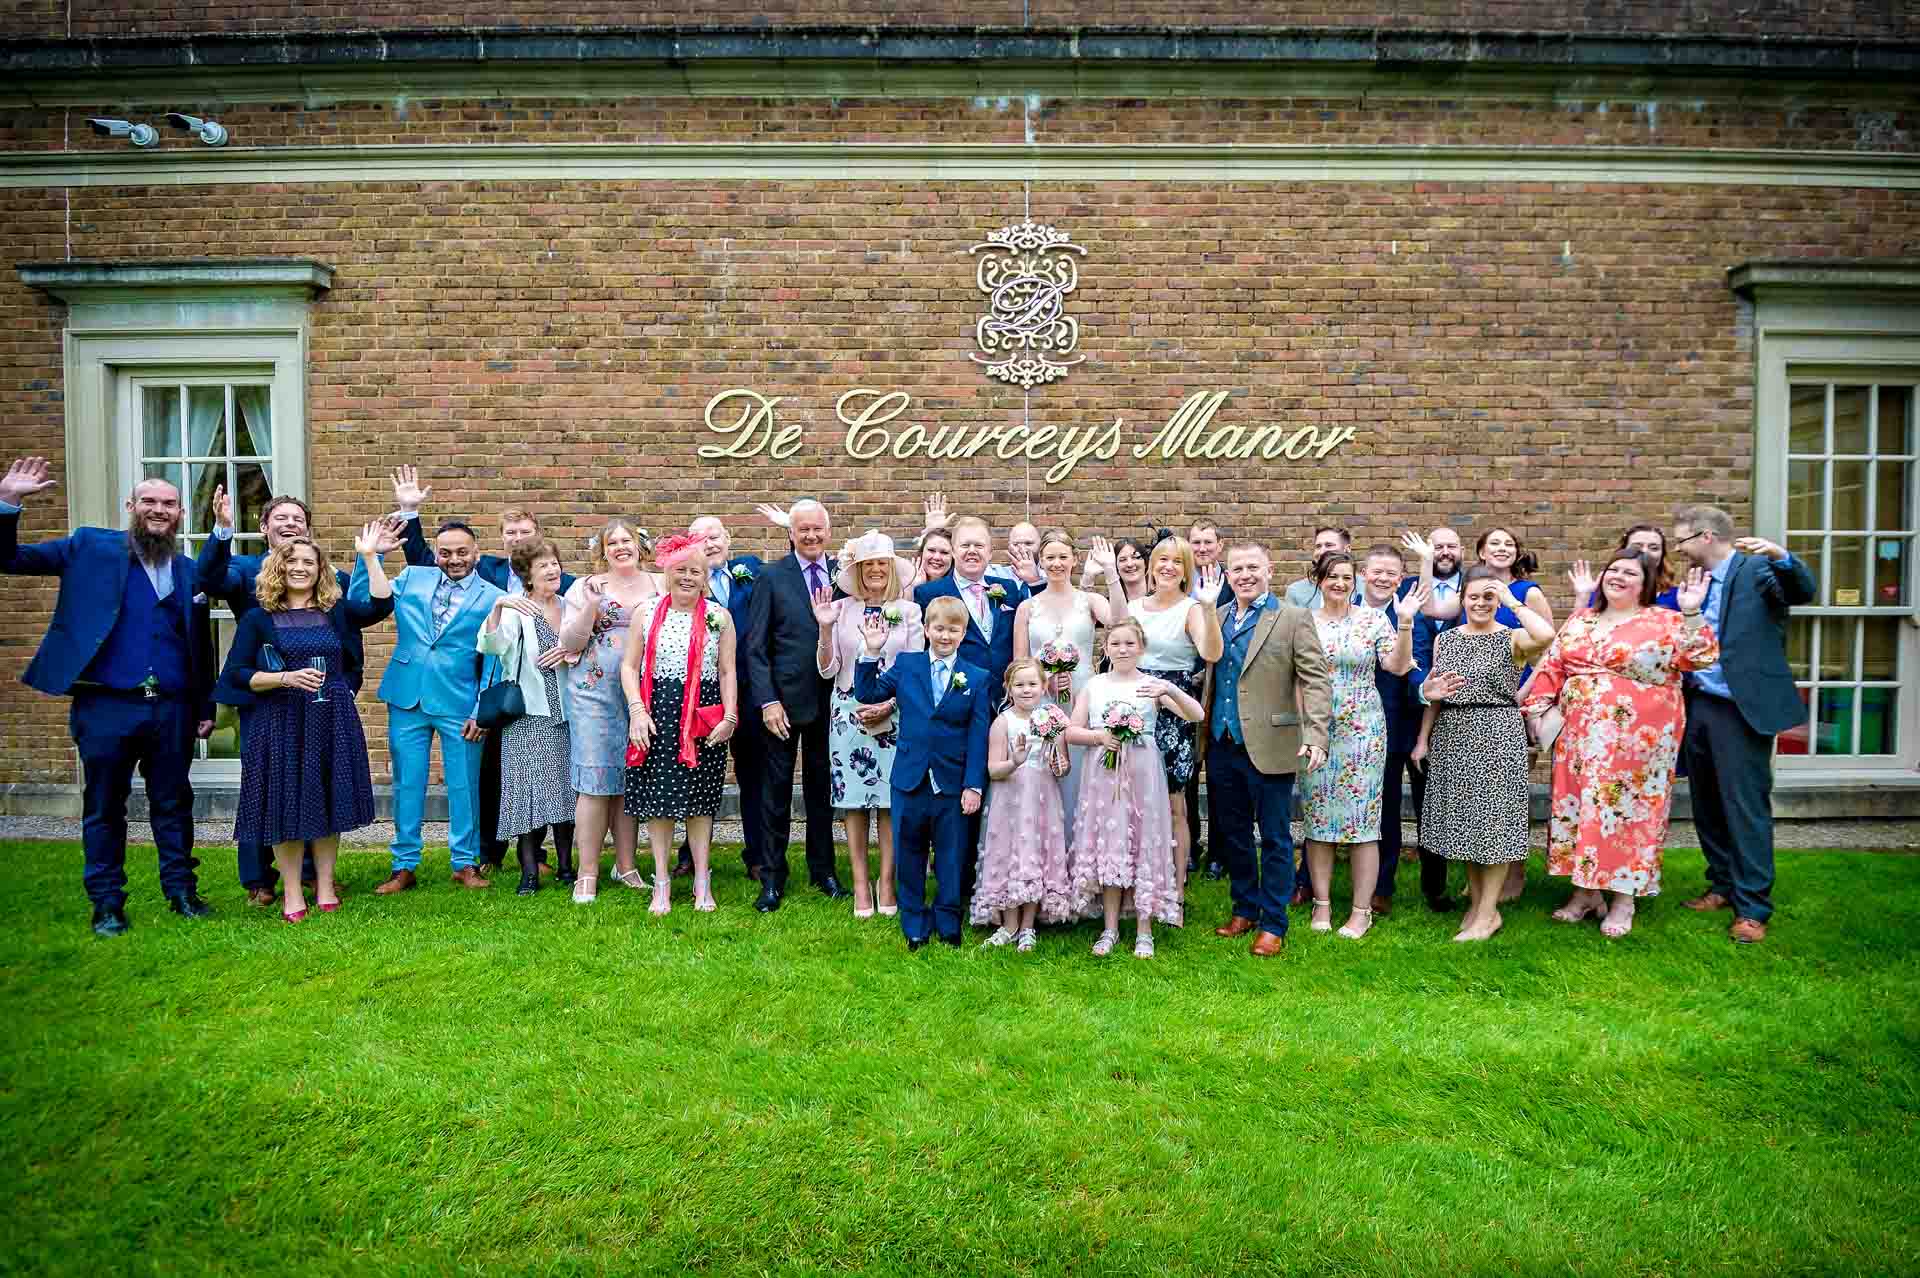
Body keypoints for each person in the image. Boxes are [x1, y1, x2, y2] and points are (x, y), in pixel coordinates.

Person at [0, 458, 216, 937]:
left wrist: (203, 707)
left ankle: (181, 892)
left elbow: (199, 645)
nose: (159, 510)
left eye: (169, 504)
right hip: (105, 705)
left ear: (181, 513)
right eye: (149, 502)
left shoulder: (187, 571)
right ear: (131, 507)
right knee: (103, 805)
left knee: (174, 803)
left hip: (172, 707)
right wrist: (9, 502)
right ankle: (106, 905)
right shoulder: (88, 547)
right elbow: (9, 559)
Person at [197, 483, 387, 906]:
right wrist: (283, 679)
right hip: (276, 720)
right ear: (275, 559)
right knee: (279, 799)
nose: (300, 567)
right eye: (293, 561)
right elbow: (237, 675)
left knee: (324, 795)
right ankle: (275, 889)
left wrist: (371, 557)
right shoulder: (257, 615)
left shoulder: (334, 607)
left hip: (326, 717)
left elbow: (378, 607)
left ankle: (323, 886)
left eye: (308, 560)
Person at [1522, 552, 1717, 938]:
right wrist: (1536, 707)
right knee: (1583, 809)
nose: (1618, 577)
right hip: (1579, 738)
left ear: (1645, 584)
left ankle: (1624, 898)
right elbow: (1553, 665)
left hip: (1639, 740)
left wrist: (1693, 611)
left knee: (1630, 813)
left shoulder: (1666, 621)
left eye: (1630, 573)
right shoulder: (1582, 619)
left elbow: (1703, 658)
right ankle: (1584, 893)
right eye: (1613, 570)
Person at [396, 473, 578, 880]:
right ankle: (489, 852)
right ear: (499, 540)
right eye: (510, 532)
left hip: (540, 697)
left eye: (524, 532)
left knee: (544, 773)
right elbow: (431, 563)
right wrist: (411, 514)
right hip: (483, 692)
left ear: (538, 536)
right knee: (493, 776)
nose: (517, 538)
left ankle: (543, 854)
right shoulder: (488, 572)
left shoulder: (563, 584)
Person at [1670, 505, 1817, 944]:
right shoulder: (1695, 581)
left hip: (1741, 706)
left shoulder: (1758, 569)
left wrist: (1782, 556)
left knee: (1744, 807)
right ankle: (1722, 885)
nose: (1679, 550)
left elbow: (1802, 590)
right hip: (1699, 702)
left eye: (1682, 541)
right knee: (1708, 802)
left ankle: (1752, 907)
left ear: (1706, 536)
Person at [352, 518, 504, 894]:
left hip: (460, 700)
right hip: (406, 695)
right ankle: (404, 865)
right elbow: (364, 602)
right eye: (446, 552)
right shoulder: (411, 577)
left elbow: (496, 658)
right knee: (407, 782)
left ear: (476, 554)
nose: (454, 559)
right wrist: (369, 558)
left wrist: (481, 710)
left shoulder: (492, 596)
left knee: (464, 784)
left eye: (462, 552)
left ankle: (464, 862)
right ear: (436, 553)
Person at [1199, 541, 1332, 957]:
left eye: (1253, 567)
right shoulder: (1216, 617)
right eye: (1237, 569)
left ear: (1269, 570)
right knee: (1234, 834)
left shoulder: (1292, 618)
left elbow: (1316, 680)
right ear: (1227, 574)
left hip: (1272, 743)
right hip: (1222, 742)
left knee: (1274, 837)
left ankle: (1274, 923)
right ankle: (1245, 907)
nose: (1245, 575)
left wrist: (1316, 735)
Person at [1412, 567, 1556, 941]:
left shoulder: (1514, 638)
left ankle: (1489, 912)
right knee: (1465, 826)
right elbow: (1437, 693)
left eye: (1488, 597)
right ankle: (1478, 907)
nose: (1480, 603)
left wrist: (1512, 600)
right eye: (1474, 596)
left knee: (1493, 828)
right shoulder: (1448, 640)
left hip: (1496, 735)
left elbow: (1548, 635)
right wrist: (1423, 738)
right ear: (1462, 598)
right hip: (1452, 734)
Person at [1300, 551, 1424, 940]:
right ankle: (1321, 904)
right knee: (1317, 820)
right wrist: (1305, 729)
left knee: (1363, 824)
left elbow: (1398, 666)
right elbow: (1295, 678)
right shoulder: (1304, 622)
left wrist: (1404, 624)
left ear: (1355, 582)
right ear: (1318, 579)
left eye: (1346, 577)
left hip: (1363, 731)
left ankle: (1361, 910)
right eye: (1332, 576)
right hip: (1318, 730)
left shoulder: (1372, 619)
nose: (1339, 583)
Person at [853, 596, 991, 949]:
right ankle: (913, 920)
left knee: (951, 854)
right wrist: (870, 652)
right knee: (909, 850)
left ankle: (947, 919)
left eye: (953, 630)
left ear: (963, 634)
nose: (945, 636)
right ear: (927, 630)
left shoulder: (976, 677)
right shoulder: (907, 665)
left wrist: (973, 785)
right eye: (939, 628)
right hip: (910, 777)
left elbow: (978, 736)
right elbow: (868, 693)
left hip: (952, 780)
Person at [1065, 619, 1206, 959]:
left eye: (1130, 644)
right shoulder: (1095, 685)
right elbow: (1071, 731)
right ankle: (1110, 928)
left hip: (1143, 772)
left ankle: (1145, 929)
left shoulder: (1151, 685)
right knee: (1112, 845)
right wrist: (1100, 737)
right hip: (1104, 773)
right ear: (1106, 649)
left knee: (1142, 842)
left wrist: (1170, 690)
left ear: (1142, 648)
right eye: (1116, 644)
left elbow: (1197, 714)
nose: (1123, 650)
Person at [1093, 534, 1222, 892]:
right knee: (1128, 798)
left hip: (1171, 705)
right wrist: (1109, 573)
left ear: (1186, 570)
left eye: (1177, 562)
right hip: (1131, 702)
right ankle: (1132, 882)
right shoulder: (1135, 607)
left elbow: (1211, 652)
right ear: (1152, 567)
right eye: (1162, 560)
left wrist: (1209, 609)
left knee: (1172, 802)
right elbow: (1115, 634)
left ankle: (1175, 888)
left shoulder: (1191, 609)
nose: (1168, 567)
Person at [621, 532, 739, 914]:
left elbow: (727, 670)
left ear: (705, 577)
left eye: (696, 571)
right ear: (667, 572)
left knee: (700, 802)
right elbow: (628, 666)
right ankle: (662, 881)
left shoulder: (720, 617)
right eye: (681, 570)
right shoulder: (647, 611)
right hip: (657, 712)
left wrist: (731, 715)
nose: (688, 577)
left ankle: (703, 882)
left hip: (702, 715)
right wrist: (637, 710)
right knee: (659, 803)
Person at [745, 498, 848, 911]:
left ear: (828, 531)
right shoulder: (771, 577)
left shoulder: (845, 575)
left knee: (823, 790)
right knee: (776, 791)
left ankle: (823, 870)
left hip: (830, 702)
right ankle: (771, 877)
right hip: (781, 706)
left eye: (817, 529)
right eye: (803, 529)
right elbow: (756, 648)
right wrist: (768, 701)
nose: (811, 536)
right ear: (790, 532)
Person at [816, 531, 924, 918]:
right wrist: (825, 628)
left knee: (891, 802)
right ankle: (861, 883)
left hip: (894, 713)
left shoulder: (909, 612)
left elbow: (913, 669)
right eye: (868, 565)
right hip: (847, 711)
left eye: (882, 564)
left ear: (891, 568)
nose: (876, 571)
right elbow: (828, 669)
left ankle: (886, 881)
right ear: (858, 570)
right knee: (854, 803)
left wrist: (889, 704)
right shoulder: (840, 609)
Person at [558, 518, 657, 903]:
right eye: (612, 542)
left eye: (626, 540)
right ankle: (587, 873)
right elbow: (569, 640)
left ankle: (627, 865)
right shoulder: (586, 586)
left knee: (631, 778)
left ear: (638, 544)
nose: (620, 547)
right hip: (594, 691)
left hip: (645, 692)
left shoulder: (660, 583)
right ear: (603, 550)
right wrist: (592, 607)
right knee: (596, 782)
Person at [477, 538, 578, 895]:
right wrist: (498, 606)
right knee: (525, 797)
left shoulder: (570, 605)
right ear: (527, 575)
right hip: (526, 716)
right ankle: (529, 872)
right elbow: (491, 646)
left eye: (554, 563)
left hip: (566, 716)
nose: (552, 570)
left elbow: (587, 649)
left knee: (564, 793)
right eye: (542, 566)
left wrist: (572, 652)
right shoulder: (517, 609)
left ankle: (567, 867)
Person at [1357, 543, 1450, 917]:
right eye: (1375, 571)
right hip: (1345, 724)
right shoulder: (1344, 609)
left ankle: (1381, 887)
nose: (1382, 578)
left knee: (1387, 809)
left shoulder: (1412, 617)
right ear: (1364, 573)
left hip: (1393, 723)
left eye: (1390, 573)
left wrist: (1421, 688)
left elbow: (1417, 664)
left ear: (1400, 578)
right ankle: (1312, 881)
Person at [1011, 528, 1112, 843]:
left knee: (1082, 775)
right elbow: (1018, 665)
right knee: (1045, 774)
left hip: (1083, 697)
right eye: (1049, 557)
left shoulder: (1091, 601)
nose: (1056, 563)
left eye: (1062, 557)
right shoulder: (1028, 608)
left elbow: (1121, 623)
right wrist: (1044, 681)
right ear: (1041, 562)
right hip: (1041, 702)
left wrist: (1110, 574)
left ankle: (1082, 854)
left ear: (1075, 560)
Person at [972, 659, 1072, 950]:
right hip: (1010, 800)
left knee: (1035, 855)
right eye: (1019, 685)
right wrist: (1014, 761)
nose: (1026, 690)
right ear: (1009, 688)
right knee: (1009, 854)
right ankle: (1008, 923)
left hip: (1042, 798)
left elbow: (1062, 769)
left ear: (1043, 687)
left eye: (1032, 684)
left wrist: (1056, 755)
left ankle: (1028, 925)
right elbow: (993, 770)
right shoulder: (1003, 721)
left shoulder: (1053, 719)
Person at [689, 514, 767, 882]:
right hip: (701, 694)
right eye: (701, 538)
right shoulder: (684, 584)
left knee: (752, 775)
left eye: (715, 536)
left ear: (728, 538)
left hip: (749, 690)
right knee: (696, 771)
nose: (710, 543)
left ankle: (756, 855)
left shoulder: (749, 570)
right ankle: (689, 856)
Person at [1283, 526, 1352, 609]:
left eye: (1329, 545)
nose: (1321, 551)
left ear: (1347, 549)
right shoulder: (1296, 591)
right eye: (1318, 546)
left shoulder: (1363, 586)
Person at [908, 527, 955, 592]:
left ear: (953, 557)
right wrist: (913, 588)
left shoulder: (961, 590)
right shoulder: (903, 583)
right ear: (922, 553)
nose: (937, 557)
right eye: (931, 550)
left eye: (944, 552)